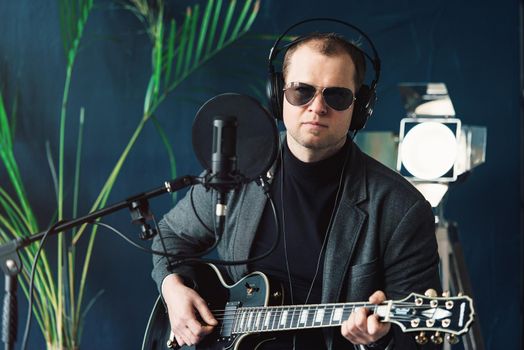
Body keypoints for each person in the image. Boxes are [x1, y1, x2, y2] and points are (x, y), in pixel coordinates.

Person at [151, 32, 441, 350]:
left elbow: (421, 340)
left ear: (360, 107)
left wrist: (379, 340)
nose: (317, 107)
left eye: (337, 96)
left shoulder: (401, 209)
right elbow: (170, 237)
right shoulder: (240, 169)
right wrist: (171, 287)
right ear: (279, 95)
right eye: (302, 91)